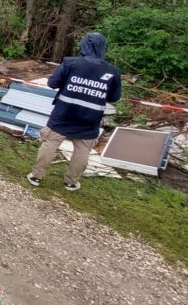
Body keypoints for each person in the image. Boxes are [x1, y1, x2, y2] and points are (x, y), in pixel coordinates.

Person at [27, 32, 121, 191]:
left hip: (63, 114)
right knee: (83, 150)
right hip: (90, 118)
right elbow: (114, 97)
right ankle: (71, 181)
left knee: (50, 143)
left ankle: (36, 175)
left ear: (84, 45)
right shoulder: (112, 71)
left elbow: (52, 83)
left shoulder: (71, 63)